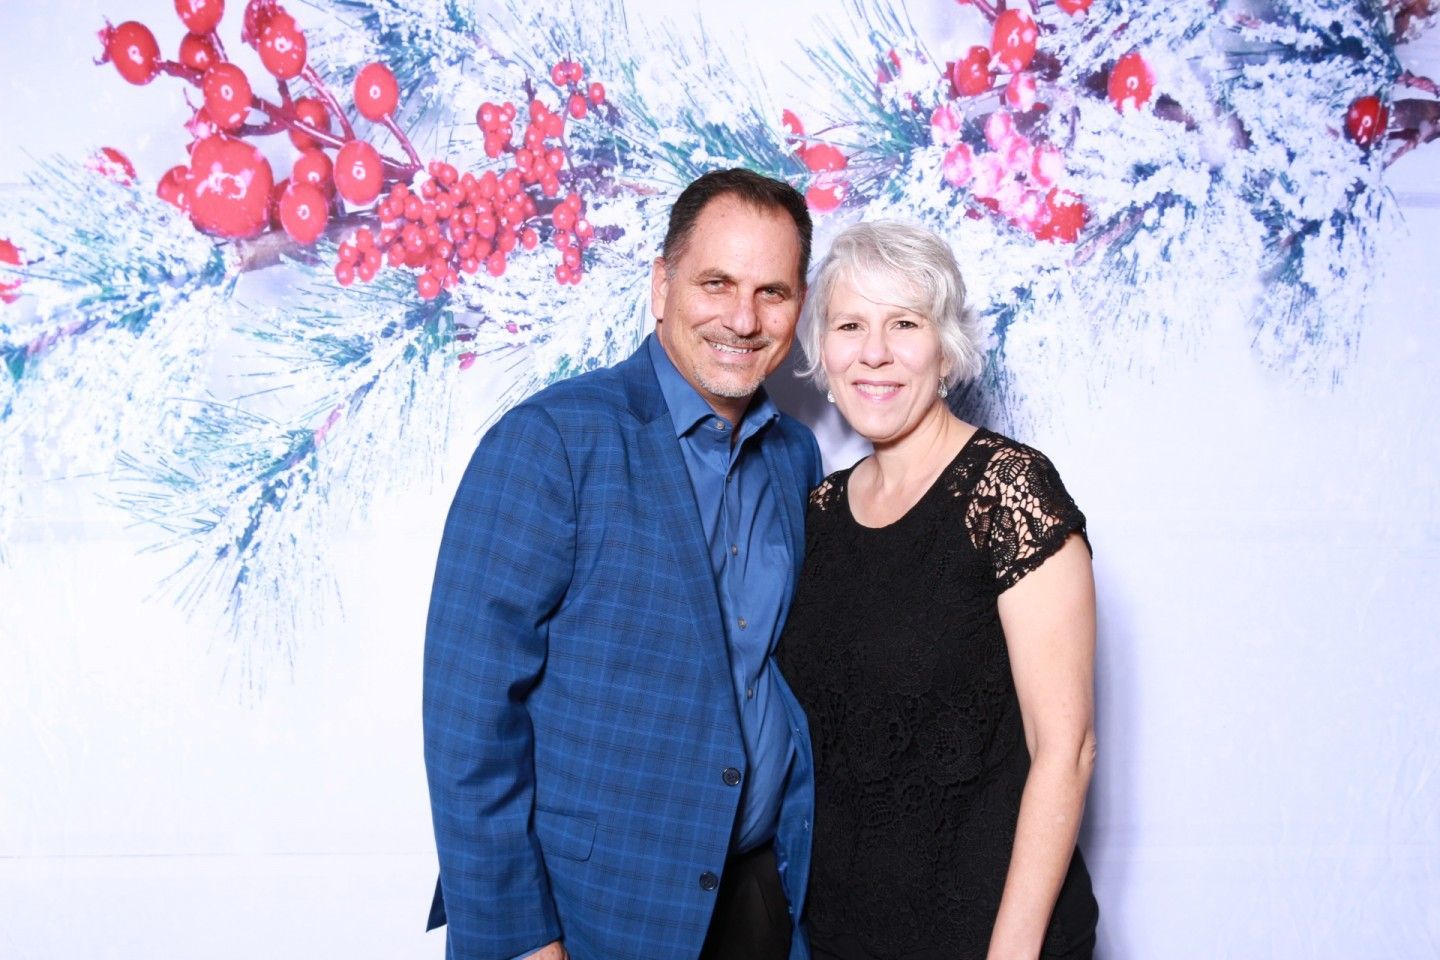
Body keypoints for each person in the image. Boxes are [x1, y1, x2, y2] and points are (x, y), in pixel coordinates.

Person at [423, 169, 823, 960]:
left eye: (771, 292)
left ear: (798, 306)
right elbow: (467, 718)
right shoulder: (553, 442)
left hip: (760, 898)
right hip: (594, 911)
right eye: (716, 283)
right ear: (662, 284)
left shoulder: (795, 457)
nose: (742, 319)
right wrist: (519, 939)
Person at [777, 221, 1100, 960]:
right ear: (822, 352)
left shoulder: (1009, 490)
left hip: (987, 934)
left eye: (904, 324)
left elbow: (1067, 749)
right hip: (842, 936)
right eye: (850, 325)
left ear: (946, 346)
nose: (875, 352)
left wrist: (1010, 953)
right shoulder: (818, 514)